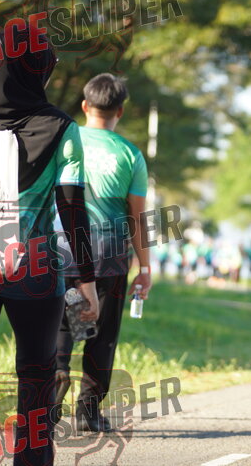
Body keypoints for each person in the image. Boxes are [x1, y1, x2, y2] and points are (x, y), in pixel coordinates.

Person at [0, 26, 99, 466]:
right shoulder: (61, 128)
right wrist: (86, 280)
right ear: (40, 69)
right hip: (33, 265)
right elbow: (72, 210)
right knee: (36, 374)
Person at [55, 73, 151, 432]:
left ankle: (54, 383)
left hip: (62, 246)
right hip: (110, 255)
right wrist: (145, 268)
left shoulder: (63, 140)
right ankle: (88, 411)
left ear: (84, 105)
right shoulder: (130, 154)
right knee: (102, 333)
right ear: (120, 111)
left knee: (62, 323)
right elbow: (137, 218)